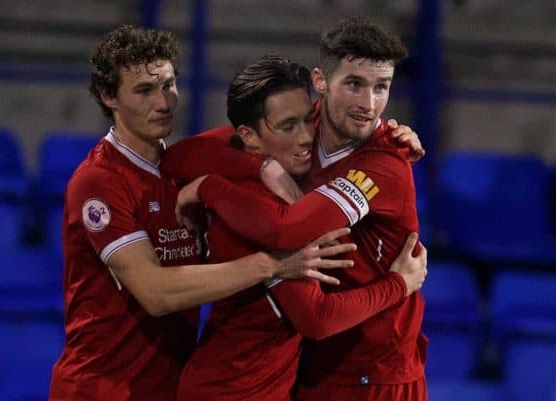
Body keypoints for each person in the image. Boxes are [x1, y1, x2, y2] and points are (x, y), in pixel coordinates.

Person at [48, 25, 359, 401]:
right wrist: (273, 265)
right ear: (108, 96)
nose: (163, 102)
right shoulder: (98, 182)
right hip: (100, 391)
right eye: (144, 91)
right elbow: (155, 293)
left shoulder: (178, 166)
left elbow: (253, 132)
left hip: (167, 387)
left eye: (168, 84)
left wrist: (387, 137)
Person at [167, 17, 428, 401]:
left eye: (381, 87)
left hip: (376, 376)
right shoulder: (301, 127)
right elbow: (179, 155)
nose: (368, 104)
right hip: (309, 369)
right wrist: (261, 165)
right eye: (354, 84)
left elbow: (290, 231)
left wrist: (208, 187)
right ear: (321, 82)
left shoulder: (385, 163)